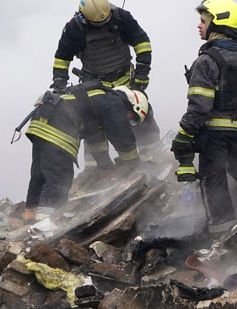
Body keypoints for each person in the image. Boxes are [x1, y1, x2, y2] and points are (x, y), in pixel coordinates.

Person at [170, 0, 237, 235]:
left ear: (218, 23)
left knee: (213, 179)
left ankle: (222, 235)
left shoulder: (206, 61)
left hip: (213, 134)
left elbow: (199, 107)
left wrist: (184, 135)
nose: (199, 25)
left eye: (203, 21)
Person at [51, 0, 161, 166]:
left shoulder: (121, 18)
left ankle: (154, 153)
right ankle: (96, 167)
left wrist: (142, 74)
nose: (103, 24)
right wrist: (59, 82)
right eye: (97, 23)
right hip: (95, 85)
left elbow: (142, 43)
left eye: (106, 21)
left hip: (125, 78)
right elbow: (62, 58)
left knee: (140, 111)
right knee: (93, 123)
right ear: (84, 17)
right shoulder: (74, 28)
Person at [24, 85, 149, 221]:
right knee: (60, 178)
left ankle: (30, 215)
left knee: (40, 174)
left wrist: (105, 166)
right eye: (133, 118)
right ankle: (44, 223)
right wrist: (133, 163)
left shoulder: (99, 99)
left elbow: (96, 142)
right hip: (59, 123)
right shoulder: (114, 103)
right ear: (133, 106)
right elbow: (122, 136)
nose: (129, 121)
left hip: (41, 120)